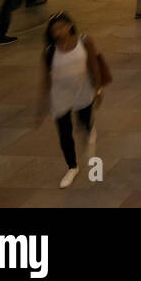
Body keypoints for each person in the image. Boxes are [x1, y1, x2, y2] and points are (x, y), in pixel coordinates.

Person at [40, 12, 106, 189]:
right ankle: (72, 166)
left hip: (82, 91)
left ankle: (90, 128)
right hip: (60, 96)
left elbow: (94, 65)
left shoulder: (84, 41)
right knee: (64, 132)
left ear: (69, 26)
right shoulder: (50, 51)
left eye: (61, 27)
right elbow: (46, 77)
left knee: (84, 121)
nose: (58, 32)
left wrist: (98, 89)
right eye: (54, 30)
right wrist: (44, 100)